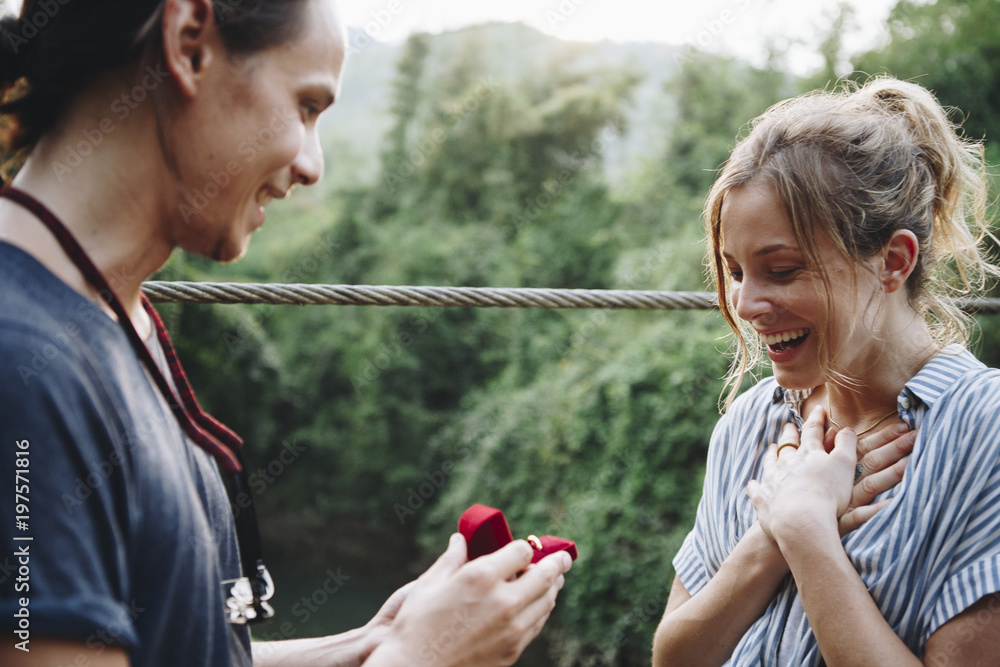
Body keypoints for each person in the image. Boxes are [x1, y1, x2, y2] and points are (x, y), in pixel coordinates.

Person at [0, 1, 572, 665]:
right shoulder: (23, 364)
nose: (311, 165)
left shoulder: (118, 320)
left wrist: (372, 641)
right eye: (305, 107)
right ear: (189, 44)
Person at [652, 77, 1000, 665]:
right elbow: (674, 657)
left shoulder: (983, 428)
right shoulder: (749, 423)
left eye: (783, 271)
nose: (746, 304)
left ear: (893, 262)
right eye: (735, 271)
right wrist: (769, 541)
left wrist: (809, 539)